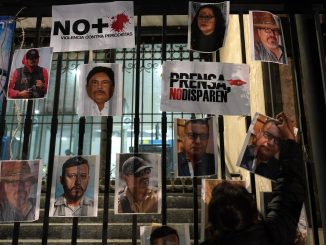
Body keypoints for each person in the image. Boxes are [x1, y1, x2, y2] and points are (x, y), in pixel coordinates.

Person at [203, 112, 305, 245]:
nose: (270, 142)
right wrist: (290, 142)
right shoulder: (271, 236)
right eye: (268, 135)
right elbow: (291, 193)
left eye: (277, 140)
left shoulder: (273, 166)